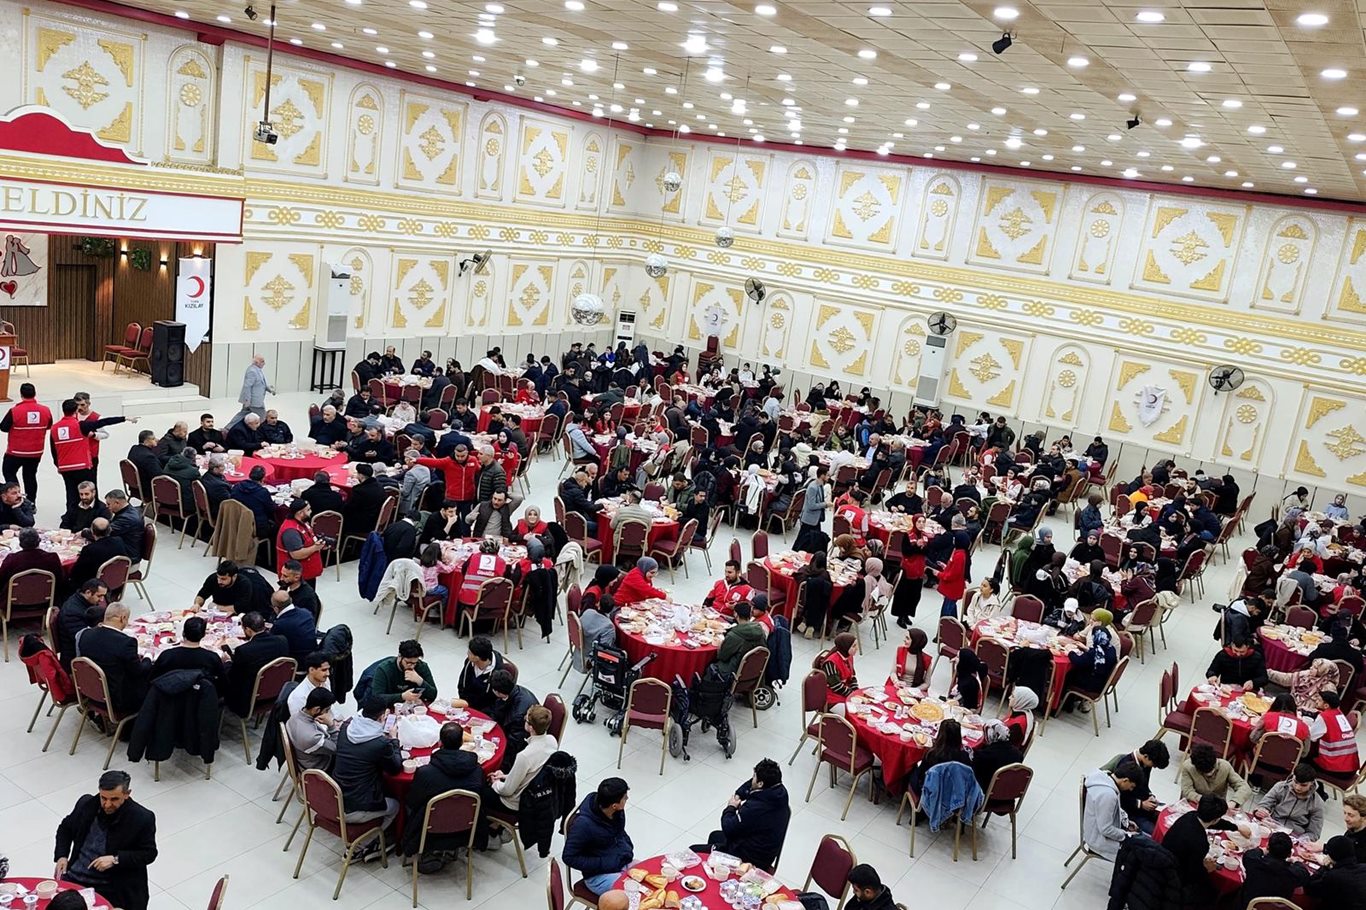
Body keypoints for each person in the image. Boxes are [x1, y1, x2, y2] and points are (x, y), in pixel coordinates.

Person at [53, 770, 158, 910]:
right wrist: (62, 856)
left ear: (127, 794)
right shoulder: (87, 804)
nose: (107, 804)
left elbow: (149, 853)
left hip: (110, 887)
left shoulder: (141, 818)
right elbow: (65, 829)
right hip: (75, 877)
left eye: (114, 799)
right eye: (103, 798)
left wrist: (116, 859)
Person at [402, 720, 485, 864]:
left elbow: (412, 801)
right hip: (465, 829)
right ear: (461, 742)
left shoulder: (426, 773)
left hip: (427, 833)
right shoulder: (476, 770)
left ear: (440, 742)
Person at [332, 695, 403, 856]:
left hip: (335, 796)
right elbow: (395, 768)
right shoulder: (379, 743)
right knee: (395, 806)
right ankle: (360, 846)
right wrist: (394, 739)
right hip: (356, 806)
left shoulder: (346, 727)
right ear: (382, 716)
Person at [480, 704, 558, 849]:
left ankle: (485, 835)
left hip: (515, 802)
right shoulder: (552, 742)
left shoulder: (525, 756)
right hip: (535, 796)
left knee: (479, 791)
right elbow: (531, 774)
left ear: (531, 727)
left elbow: (507, 791)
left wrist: (495, 782)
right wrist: (505, 776)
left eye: (526, 720)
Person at [691, 760, 790, 871]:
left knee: (693, 852)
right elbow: (751, 785)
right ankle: (712, 869)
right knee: (715, 836)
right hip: (763, 851)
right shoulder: (779, 793)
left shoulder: (754, 809)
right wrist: (739, 794)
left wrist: (731, 807)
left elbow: (728, 828)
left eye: (754, 776)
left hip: (747, 859)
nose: (752, 779)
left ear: (760, 784)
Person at [1162, 793, 1240, 907]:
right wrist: (1207, 869)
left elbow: (1213, 823)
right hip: (1174, 880)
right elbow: (1193, 874)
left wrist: (1236, 827)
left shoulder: (1190, 816)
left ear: (1198, 806)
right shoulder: (1200, 842)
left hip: (1163, 862)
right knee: (1212, 891)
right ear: (1216, 819)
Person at [74, 603, 151, 714]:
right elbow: (139, 671)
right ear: (123, 618)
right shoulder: (126, 642)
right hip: (119, 699)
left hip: (92, 692)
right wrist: (148, 657)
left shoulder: (85, 635)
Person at [563, 778, 634, 895]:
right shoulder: (583, 825)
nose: (627, 799)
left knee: (650, 874)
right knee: (634, 894)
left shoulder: (617, 812)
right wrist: (604, 862)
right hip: (598, 875)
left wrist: (626, 848)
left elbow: (620, 833)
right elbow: (569, 857)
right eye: (625, 798)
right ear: (614, 805)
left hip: (620, 861)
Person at [221, 611, 288, 717]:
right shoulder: (282, 641)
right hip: (275, 693)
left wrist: (228, 661)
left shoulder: (244, 651)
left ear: (248, 630)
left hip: (247, 700)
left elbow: (233, 676)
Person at [1100, 739, 1170, 834]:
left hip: (1143, 809)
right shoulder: (1125, 764)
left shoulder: (1146, 764)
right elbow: (1119, 796)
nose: (1153, 767)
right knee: (1157, 834)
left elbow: (1144, 785)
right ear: (1146, 756)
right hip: (1129, 812)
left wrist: (1150, 796)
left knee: (1168, 826)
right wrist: (1140, 804)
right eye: (1154, 764)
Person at [1080, 759, 1141, 860]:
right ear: (1125, 780)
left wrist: (1126, 822)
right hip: (1099, 840)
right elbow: (1106, 829)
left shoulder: (1103, 778)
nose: (1130, 790)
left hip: (1093, 829)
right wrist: (1126, 835)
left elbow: (1109, 812)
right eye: (1131, 786)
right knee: (1139, 855)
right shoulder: (1108, 795)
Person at [1, 382, 52, 503]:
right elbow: (48, 425)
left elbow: (3, 427)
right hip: (35, 452)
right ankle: (31, 502)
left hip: (15, 452)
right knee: (30, 476)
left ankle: (15, 498)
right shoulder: (46, 410)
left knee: (9, 472)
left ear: (21, 394)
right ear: (34, 394)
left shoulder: (15, 411)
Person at [150, 615, 226, 693]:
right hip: (202, 696)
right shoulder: (212, 658)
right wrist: (227, 662)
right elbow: (223, 684)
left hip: (169, 696)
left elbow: (152, 679)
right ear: (203, 635)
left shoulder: (167, 655)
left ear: (183, 633)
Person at [1241, 831, 1312, 906]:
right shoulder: (1292, 875)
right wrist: (1296, 861)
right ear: (1289, 854)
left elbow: (1249, 854)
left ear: (1268, 846)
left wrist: (1263, 850)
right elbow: (1305, 874)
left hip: (1246, 905)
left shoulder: (1254, 861)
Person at [1255, 762, 1325, 838]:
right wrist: (1261, 811)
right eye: (1295, 782)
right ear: (1292, 776)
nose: (1298, 787)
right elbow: (1264, 804)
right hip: (1272, 826)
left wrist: (1302, 839)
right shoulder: (1280, 787)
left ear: (1312, 783)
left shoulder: (1317, 803)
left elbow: (1314, 833)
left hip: (1295, 835)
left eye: (1303, 785)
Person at [907, 718, 971, 794]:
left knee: (912, 768)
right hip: (953, 792)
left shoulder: (932, 754)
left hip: (929, 792)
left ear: (941, 735)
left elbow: (922, 775)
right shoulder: (965, 756)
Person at [488, 668, 537, 766]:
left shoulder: (518, 715)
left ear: (497, 692)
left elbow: (513, 743)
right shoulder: (513, 690)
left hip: (521, 745)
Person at [1178, 743, 1253, 806]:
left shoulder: (1225, 766)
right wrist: (1204, 800)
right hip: (1194, 803)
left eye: (1212, 770)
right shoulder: (1188, 767)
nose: (1209, 774)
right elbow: (1187, 791)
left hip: (1218, 807)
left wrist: (1233, 802)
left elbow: (1244, 787)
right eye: (1205, 773)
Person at [368, 639, 438, 705]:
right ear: (399, 656)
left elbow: (433, 695)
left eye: (415, 663)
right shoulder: (384, 669)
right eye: (408, 663)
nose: (412, 666)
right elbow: (376, 698)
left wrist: (420, 681)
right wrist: (402, 696)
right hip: (389, 706)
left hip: (412, 706)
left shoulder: (422, 666)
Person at [287, 685, 339, 772]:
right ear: (317, 710)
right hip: (320, 768)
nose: (328, 714)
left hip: (305, 758)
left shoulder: (293, 718)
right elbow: (336, 748)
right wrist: (331, 725)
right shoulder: (313, 738)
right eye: (327, 710)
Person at [276, 500, 327, 589]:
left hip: (307, 571)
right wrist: (315, 547)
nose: (311, 511)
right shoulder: (291, 531)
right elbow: (296, 554)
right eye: (308, 510)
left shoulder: (303, 522)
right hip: (296, 575)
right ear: (300, 513)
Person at [0, 527, 64, 597]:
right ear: (39, 541)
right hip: (46, 599)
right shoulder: (52, 558)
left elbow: (1, 580)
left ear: (20, 544)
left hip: (13, 600)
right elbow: (60, 581)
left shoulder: (12, 560)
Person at [193, 560, 274, 615]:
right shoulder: (213, 578)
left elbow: (238, 608)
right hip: (219, 610)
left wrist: (215, 607)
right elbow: (202, 594)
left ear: (234, 576)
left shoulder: (244, 584)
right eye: (218, 577)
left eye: (223, 579)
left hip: (238, 614)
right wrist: (197, 604)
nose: (219, 581)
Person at [1309, 689, 1361, 775]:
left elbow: (1311, 737)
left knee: (1303, 759)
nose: (1316, 701)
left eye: (1319, 700)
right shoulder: (1339, 713)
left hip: (1336, 769)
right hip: (1351, 768)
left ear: (1326, 705)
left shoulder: (1324, 717)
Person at [1307, 834, 1366, 903]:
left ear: (1332, 856)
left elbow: (1309, 889)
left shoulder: (1334, 876)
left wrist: (1325, 867)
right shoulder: (1363, 868)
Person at [714, 601, 766, 677]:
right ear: (750, 614)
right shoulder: (760, 631)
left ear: (736, 614)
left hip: (733, 672)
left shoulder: (734, 635)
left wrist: (720, 645)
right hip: (754, 672)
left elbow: (722, 656)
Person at [454, 636, 505, 712]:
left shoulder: (497, 673)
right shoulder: (469, 662)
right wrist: (465, 703)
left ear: (477, 657)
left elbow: (494, 700)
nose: (467, 654)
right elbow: (462, 685)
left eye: (470, 653)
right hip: (466, 705)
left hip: (485, 710)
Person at [971, 720, 1023, 793]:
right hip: (1006, 791)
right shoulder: (1018, 754)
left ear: (990, 735)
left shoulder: (984, 755)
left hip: (985, 791)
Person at [1204, 636, 1269, 690]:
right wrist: (1212, 675)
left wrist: (1253, 682)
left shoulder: (1256, 656)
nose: (1238, 654)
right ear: (1232, 645)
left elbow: (1264, 678)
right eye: (1235, 650)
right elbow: (1211, 670)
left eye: (1242, 652)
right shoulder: (1223, 654)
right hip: (1227, 688)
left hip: (1248, 690)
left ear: (1248, 647)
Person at [227, 355, 272, 428]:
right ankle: (264, 430)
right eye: (262, 361)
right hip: (253, 400)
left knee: (242, 414)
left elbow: (261, 383)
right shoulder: (252, 371)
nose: (264, 363)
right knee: (262, 416)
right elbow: (247, 386)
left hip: (255, 400)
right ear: (256, 362)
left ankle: (228, 428)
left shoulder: (258, 370)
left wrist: (269, 389)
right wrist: (247, 400)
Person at [104, 490, 145, 565]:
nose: (106, 506)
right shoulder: (130, 510)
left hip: (128, 555)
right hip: (127, 546)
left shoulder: (127, 519)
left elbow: (104, 532)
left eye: (108, 504)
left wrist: (84, 533)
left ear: (117, 503)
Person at [820, 632, 859, 711]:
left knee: (864, 707)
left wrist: (856, 691)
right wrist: (853, 695)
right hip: (831, 697)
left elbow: (852, 677)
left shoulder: (849, 656)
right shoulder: (831, 663)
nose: (857, 648)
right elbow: (836, 687)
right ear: (846, 647)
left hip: (844, 692)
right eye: (854, 646)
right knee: (855, 711)